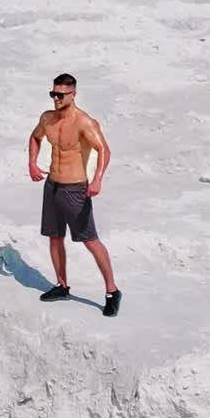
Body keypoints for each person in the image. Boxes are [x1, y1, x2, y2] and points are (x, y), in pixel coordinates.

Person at [28, 74, 121, 317]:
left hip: (74, 189)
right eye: (53, 94)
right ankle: (61, 285)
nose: (56, 99)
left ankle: (112, 291)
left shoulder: (84, 122)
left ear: (73, 94)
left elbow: (104, 150)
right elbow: (35, 137)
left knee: (90, 240)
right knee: (54, 237)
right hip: (52, 186)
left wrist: (97, 178)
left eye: (61, 95)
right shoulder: (47, 119)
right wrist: (32, 164)